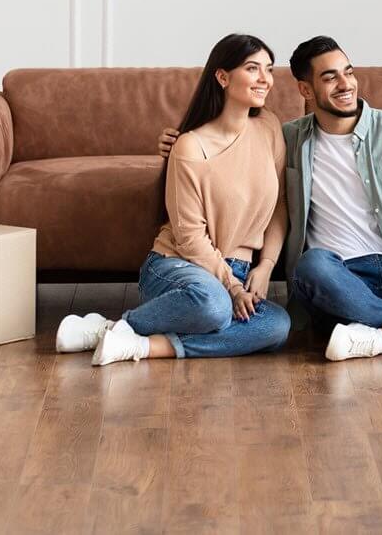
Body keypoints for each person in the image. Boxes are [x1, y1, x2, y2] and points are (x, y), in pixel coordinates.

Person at [159, 35, 382, 362]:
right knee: (311, 264)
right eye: (330, 78)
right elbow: (231, 151)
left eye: (349, 72)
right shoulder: (286, 138)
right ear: (305, 89)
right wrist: (180, 144)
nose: (346, 85)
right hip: (338, 276)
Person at [57, 33, 291, 365]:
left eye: (269, 69)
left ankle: (138, 343)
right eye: (253, 69)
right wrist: (231, 287)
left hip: (239, 269)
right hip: (180, 265)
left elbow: (280, 204)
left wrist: (265, 266)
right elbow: (189, 237)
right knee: (213, 306)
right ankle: (120, 326)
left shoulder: (268, 127)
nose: (265, 79)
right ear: (222, 77)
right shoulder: (190, 146)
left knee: (277, 326)